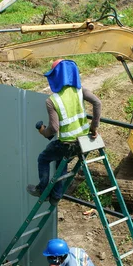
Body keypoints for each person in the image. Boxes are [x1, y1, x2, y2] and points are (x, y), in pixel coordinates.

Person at [27, 59, 102, 206]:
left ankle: (42, 189)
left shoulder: (52, 100)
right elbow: (98, 103)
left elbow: (54, 129)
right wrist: (94, 127)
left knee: (43, 158)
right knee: (61, 161)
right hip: (83, 142)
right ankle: (56, 196)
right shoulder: (80, 91)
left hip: (67, 144)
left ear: (55, 77)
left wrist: (43, 131)